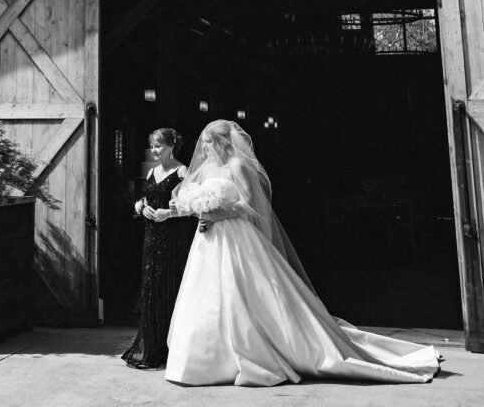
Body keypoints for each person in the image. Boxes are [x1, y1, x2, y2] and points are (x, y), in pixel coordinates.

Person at [166, 120, 440, 387]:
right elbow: (188, 198)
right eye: (204, 144)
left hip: (237, 237)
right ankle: (205, 358)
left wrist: (219, 212)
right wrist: (184, 210)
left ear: (225, 142)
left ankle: (257, 350)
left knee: (246, 293)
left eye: (211, 142)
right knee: (207, 293)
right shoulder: (208, 168)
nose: (206, 149)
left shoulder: (238, 165)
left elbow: (251, 205)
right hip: (209, 240)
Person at [122, 128, 195, 369]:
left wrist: (169, 213)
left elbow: (190, 208)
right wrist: (142, 208)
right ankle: (149, 346)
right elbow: (143, 199)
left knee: (168, 286)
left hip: (173, 238)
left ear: (171, 147)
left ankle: (169, 349)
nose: (154, 150)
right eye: (152, 146)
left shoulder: (182, 171)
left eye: (158, 146)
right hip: (151, 237)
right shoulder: (152, 171)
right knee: (150, 288)